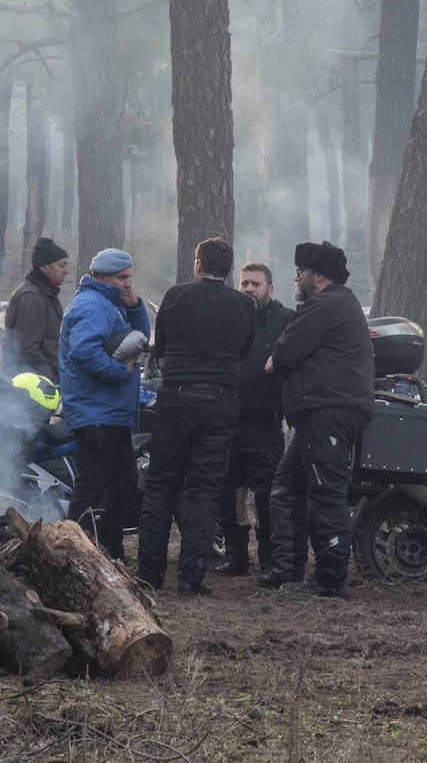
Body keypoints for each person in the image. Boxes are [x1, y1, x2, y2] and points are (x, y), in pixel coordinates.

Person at [136, 238, 256, 595]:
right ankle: (191, 577)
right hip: (220, 404)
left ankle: (149, 575)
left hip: (176, 399)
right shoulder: (243, 305)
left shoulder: (175, 296)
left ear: (197, 264)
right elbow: (243, 350)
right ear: (231, 270)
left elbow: (163, 348)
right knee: (205, 490)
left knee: (160, 487)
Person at [260, 241, 374, 597]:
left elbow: (286, 351)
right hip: (322, 412)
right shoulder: (341, 302)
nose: (297, 278)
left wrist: (275, 361)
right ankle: (287, 569)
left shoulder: (323, 306)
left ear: (318, 276)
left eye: (300, 272)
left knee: (326, 493)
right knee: (287, 486)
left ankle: (329, 579)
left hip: (327, 412)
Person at [59, 247, 152, 561]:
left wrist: (135, 305)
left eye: (129, 277)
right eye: (120, 277)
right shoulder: (92, 305)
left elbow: (139, 338)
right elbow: (83, 351)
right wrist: (118, 371)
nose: (126, 283)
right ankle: (69, 554)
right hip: (96, 413)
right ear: (100, 276)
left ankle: (111, 554)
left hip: (110, 412)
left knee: (121, 487)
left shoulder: (111, 303)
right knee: (93, 489)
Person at [214, 262, 295, 577]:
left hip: (266, 425)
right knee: (229, 494)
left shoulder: (286, 320)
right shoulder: (230, 318)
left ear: (270, 290)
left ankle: (269, 559)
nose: (248, 289)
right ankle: (236, 557)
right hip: (229, 423)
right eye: (244, 283)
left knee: (265, 497)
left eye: (256, 284)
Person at [2, 237, 70, 382]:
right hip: (31, 386)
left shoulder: (45, 295)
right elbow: (28, 349)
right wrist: (51, 382)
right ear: (44, 267)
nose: (67, 271)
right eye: (62, 265)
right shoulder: (31, 298)